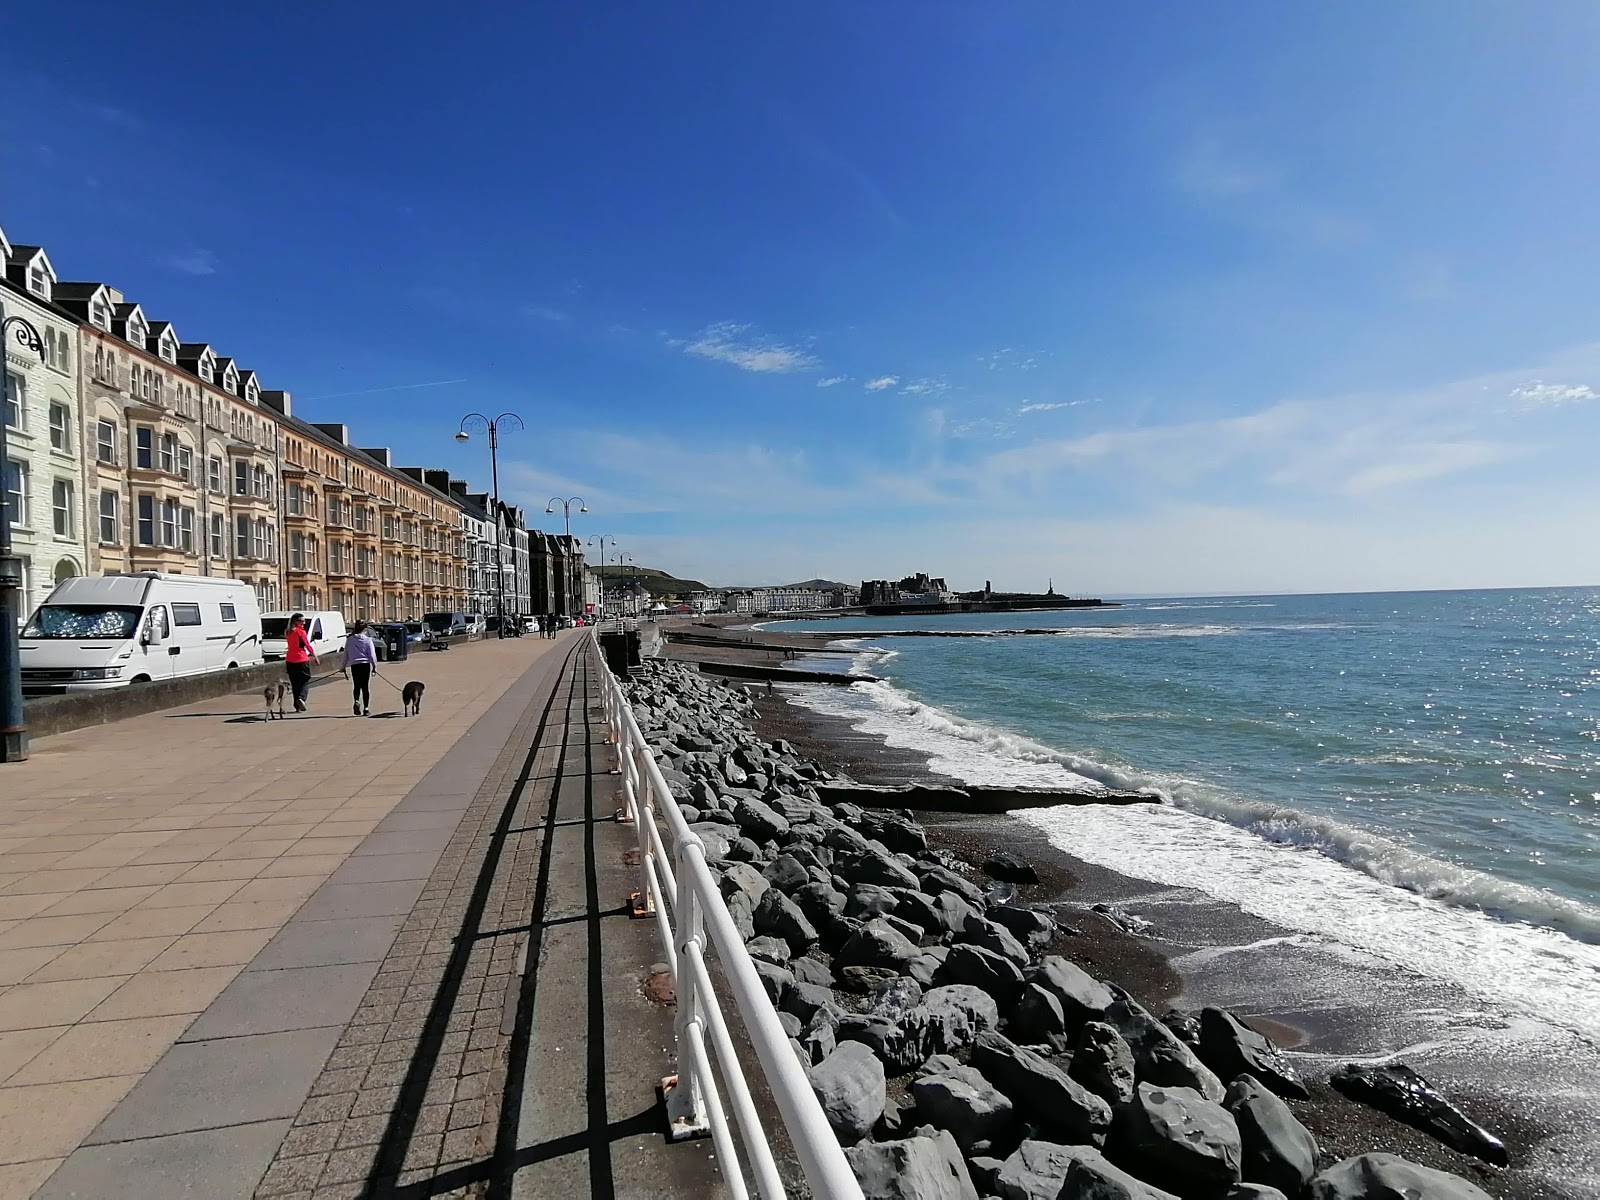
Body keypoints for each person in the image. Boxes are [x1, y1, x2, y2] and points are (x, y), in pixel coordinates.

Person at [342, 621, 378, 716]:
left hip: (355, 664)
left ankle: (356, 701)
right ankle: (366, 708)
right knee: (365, 686)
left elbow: (345, 654)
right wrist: (374, 666)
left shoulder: (350, 640)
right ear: (365, 629)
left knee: (356, 685)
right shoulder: (367, 640)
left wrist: (343, 667)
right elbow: (372, 655)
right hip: (365, 664)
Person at [284, 612, 316, 712]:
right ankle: (301, 698)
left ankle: (297, 705)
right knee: (305, 680)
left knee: (295, 683)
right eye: (302, 621)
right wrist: (315, 656)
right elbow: (307, 645)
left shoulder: (287, 632)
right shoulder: (300, 632)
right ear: (296, 622)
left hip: (290, 660)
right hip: (301, 658)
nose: (304, 623)